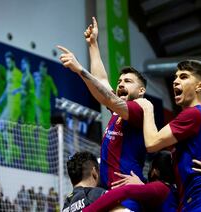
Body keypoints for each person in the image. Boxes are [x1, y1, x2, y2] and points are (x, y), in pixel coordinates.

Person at [58, 17, 147, 211]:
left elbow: (106, 96)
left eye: (128, 81)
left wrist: (79, 69)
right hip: (109, 196)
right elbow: (102, 82)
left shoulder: (140, 109)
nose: (121, 83)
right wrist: (93, 45)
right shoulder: (118, 111)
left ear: (141, 91)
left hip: (128, 199)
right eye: (120, 80)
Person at [134, 60, 201, 211]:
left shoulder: (193, 114)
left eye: (184, 77)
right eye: (176, 77)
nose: (175, 81)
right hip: (194, 200)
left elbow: (152, 143)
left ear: (199, 86)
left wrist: (147, 108)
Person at [83, 150, 178, 212]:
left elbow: (125, 191)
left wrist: (87, 211)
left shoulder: (160, 188)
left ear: (155, 171)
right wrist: (143, 186)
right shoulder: (174, 191)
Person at [0, 51, 22, 164]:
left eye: (9, 62)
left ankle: (8, 157)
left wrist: (17, 91)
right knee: (1, 125)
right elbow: (8, 86)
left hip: (15, 107)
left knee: (7, 129)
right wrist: (2, 97)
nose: (8, 64)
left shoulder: (19, 74)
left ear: (13, 61)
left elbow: (24, 88)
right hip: (9, 105)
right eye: (6, 62)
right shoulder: (8, 72)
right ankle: (13, 150)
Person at [33, 61, 58, 172]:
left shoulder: (48, 79)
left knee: (45, 134)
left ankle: (42, 158)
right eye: (41, 68)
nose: (42, 71)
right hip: (38, 107)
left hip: (46, 109)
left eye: (44, 69)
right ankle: (38, 158)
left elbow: (55, 91)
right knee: (39, 132)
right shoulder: (36, 77)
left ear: (46, 70)